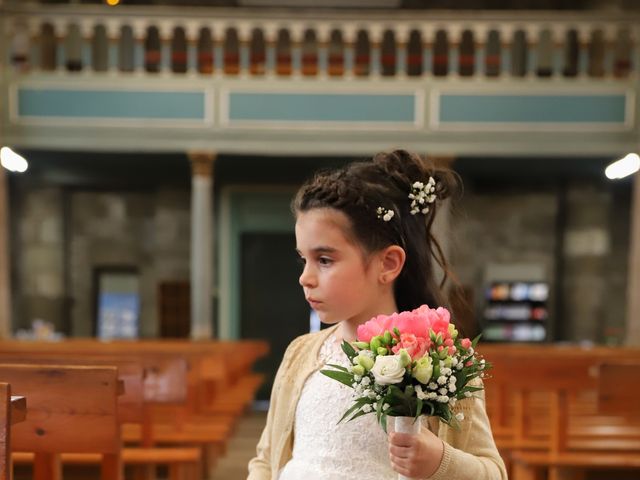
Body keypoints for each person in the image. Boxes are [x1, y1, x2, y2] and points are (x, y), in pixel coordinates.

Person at [247, 150, 507, 480]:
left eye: (325, 260)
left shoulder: (441, 361)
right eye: (304, 260)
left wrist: (440, 460)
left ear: (388, 264)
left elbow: (493, 473)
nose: (305, 277)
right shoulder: (300, 353)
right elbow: (265, 459)